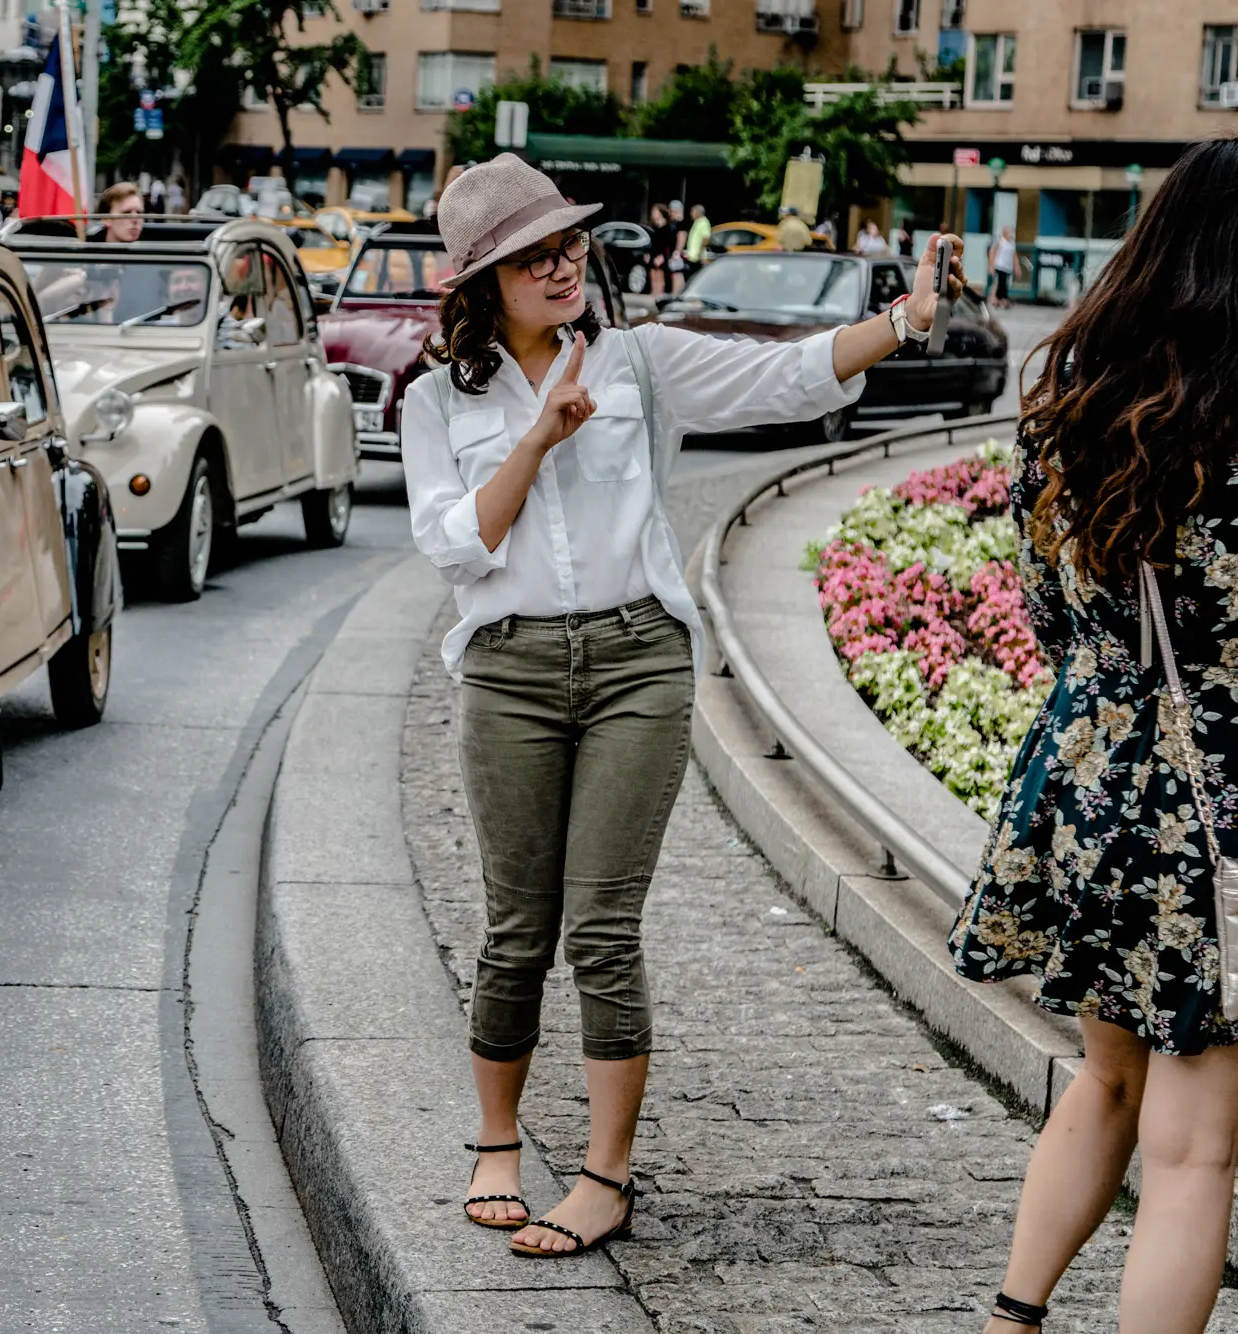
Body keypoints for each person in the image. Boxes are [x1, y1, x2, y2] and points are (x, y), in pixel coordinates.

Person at [402, 152, 961, 1261]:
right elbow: (453, 545)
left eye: (569, 244)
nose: (563, 265)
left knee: (601, 926)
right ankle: (497, 1137)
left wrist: (901, 319)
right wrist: (536, 438)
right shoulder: (434, 400)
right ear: (482, 283)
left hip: (633, 662)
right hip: (509, 667)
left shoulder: (641, 363)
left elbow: (788, 376)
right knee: (517, 927)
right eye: (533, 255)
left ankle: (605, 1176)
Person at [949, 136, 1238, 1334]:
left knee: (1101, 1079)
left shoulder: (1072, 413)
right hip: (1234, 820)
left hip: (1088, 790)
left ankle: (1008, 1320)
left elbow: (1045, 616)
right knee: (1194, 1153)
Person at [645, 203, 675, 293]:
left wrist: (662, 257)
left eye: (655, 212)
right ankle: (654, 296)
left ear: (661, 213)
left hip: (661, 256)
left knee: (660, 277)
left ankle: (658, 296)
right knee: (653, 277)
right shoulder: (655, 227)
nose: (653, 214)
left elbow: (669, 244)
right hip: (654, 254)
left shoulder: (667, 228)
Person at [988, 223, 1020, 307]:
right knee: (998, 282)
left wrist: (1017, 267)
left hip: (1007, 266)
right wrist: (991, 265)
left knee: (1003, 283)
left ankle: (1000, 298)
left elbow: (1014, 255)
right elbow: (992, 252)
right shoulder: (1000, 241)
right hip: (999, 265)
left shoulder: (1012, 242)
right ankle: (995, 298)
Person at [681, 203, 710, 278]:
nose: (691, 214)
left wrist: (700, 253)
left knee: (695, 277)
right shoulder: (697, 222)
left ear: (698, 212)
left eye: (692, 211)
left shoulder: (704, 222)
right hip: (692, 257)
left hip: (697, 258)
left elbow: (706, 239)